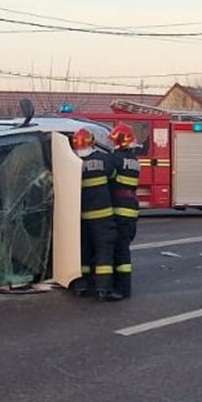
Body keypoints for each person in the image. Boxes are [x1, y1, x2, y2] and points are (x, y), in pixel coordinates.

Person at [68, 128, 123, 302]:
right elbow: (115, 180)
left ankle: (80, 285)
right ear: (92, 142)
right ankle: (103, 289)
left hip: (78, 218)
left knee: (81, 251)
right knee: (104, 251)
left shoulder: (70, 162)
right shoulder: (103, 160)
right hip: (102, 216)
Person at [109, 123, 140, 299]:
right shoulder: (133, 161)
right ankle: (122, 286)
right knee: (123, 248)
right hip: (130, 210)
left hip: (120, 209)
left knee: (120, 251)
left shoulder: (116, 160)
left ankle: (122, 289)